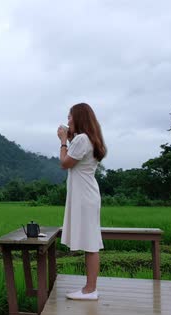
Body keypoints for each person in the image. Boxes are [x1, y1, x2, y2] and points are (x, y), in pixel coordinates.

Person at [56, 103, 107, 301]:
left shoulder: (82, 139)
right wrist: (69, 139)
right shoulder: (87, 139)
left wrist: (62, 141)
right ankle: (89, 287)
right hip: (88, 194)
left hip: (85, 196)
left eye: (70, 117)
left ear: (79, 118)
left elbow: (65, 162)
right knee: (90, 242)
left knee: (91, 243)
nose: (68, 121)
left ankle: (90, 289)